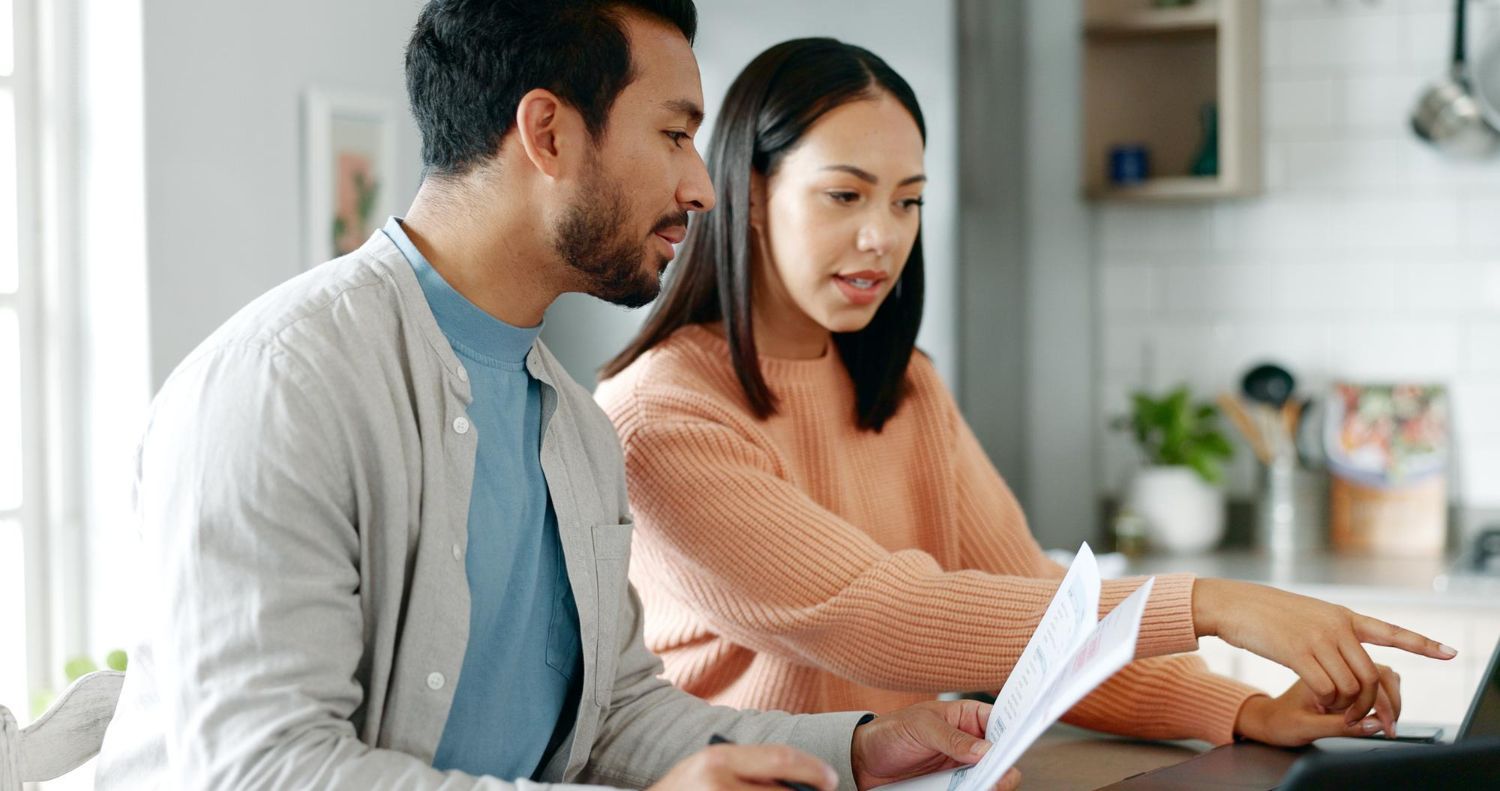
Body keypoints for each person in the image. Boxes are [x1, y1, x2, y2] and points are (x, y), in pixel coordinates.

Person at [95, 4, 1024, 789]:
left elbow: (613, 718)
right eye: (673, 133)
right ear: (548, 133)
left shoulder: (574, 425)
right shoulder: (285, 384)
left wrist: (861, 749)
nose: (700, 185)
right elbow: (269, 770)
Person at [596, 37, 1456, 749]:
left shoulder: (903, 387)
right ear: (749, 194)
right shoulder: (663, 416)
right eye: (844, 195)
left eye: (908, 202)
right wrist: (1209, 604)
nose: (881, 236)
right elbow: (884, 619)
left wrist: (1239, 710)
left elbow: (1035, 611)